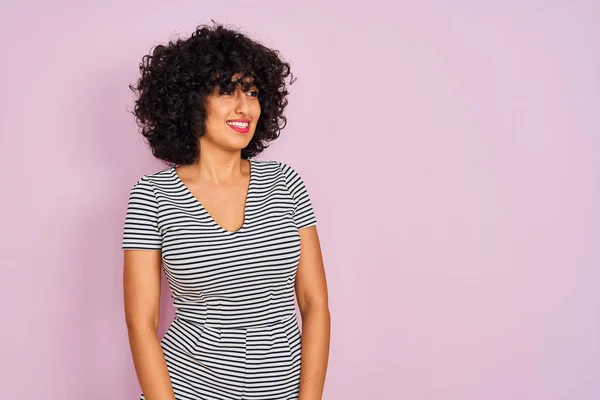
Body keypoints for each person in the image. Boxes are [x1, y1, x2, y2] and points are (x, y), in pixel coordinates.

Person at [121, 23, 330, 400]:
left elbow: (315, 305)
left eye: (251, 91)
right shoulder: (152, 196)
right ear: (190, 102)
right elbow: (141, 322)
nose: (244, 107)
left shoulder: (286, 184)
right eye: (226, 91)